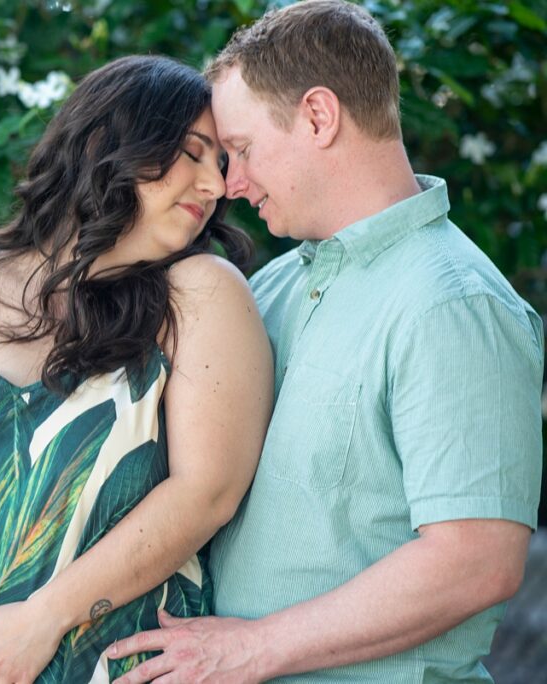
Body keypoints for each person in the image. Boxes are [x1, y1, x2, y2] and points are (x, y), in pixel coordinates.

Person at [109, 2, 545, 682]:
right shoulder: (271, 288)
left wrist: (251, 648)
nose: (230, 184)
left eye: (242, 150)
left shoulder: (454, 304)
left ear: (318, 116)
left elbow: (476, 560)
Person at [0, 55, 273, 683]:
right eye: (193, 154)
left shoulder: (201, 295)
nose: (216, 186)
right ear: (107, 142)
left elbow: (207, 493)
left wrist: (46, 616)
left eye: (223, 164)